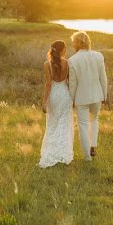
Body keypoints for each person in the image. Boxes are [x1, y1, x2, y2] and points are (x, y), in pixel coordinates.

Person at [67, 31, 108, 161]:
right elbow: (103, 78)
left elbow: (73, 84)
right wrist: (104, 95)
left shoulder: (72, 60)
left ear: (76, 44)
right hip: (97, 96)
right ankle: (93, 145)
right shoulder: (98, 56)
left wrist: (72, 99)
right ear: (88, 42)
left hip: (81, 98)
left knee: (83, 125)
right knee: (94, 120)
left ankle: (87, 157)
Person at [38, 40, 74, 168]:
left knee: (53, 125)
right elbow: (70, 83)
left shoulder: (47, 64)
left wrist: (44, 101)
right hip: (65, 96)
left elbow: (48, 84)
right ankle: (64, 154)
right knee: (64, 124)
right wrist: (74, 98)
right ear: (63, 50)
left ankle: (51, 152)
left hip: (54, 96)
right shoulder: (68, 63)